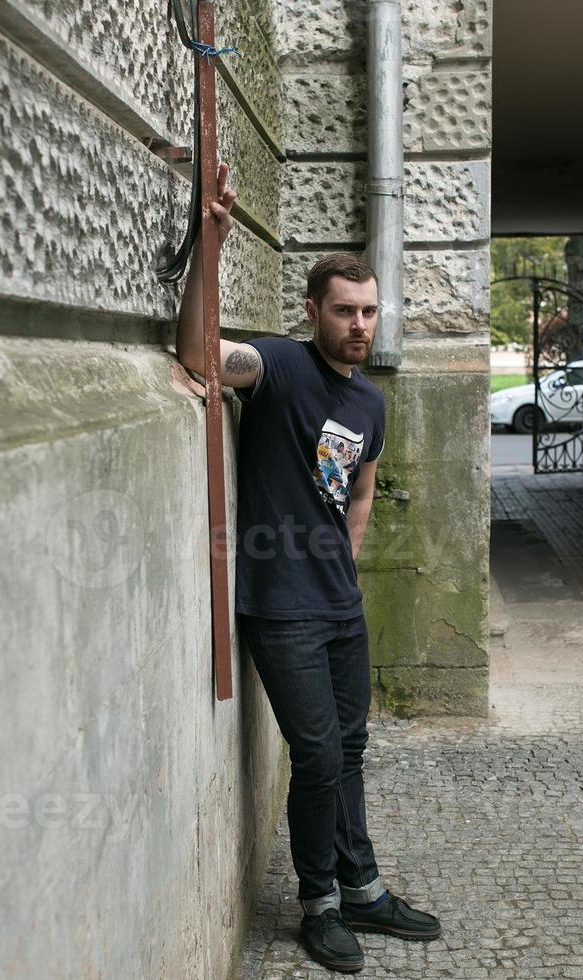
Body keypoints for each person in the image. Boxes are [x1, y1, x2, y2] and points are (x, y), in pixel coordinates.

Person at [176, 164, 441, 973]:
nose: (359, 325)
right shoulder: (282, 367)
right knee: (319, 753)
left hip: (337, 603)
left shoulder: (369, 403)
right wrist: (210, 244)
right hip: (278, 605)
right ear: (313, 311)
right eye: (344, 311)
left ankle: (362, 888)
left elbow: (357, 493)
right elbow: (198, 355)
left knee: (350, 747)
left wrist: (345, 563)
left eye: (368, 312)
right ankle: (319, 903)